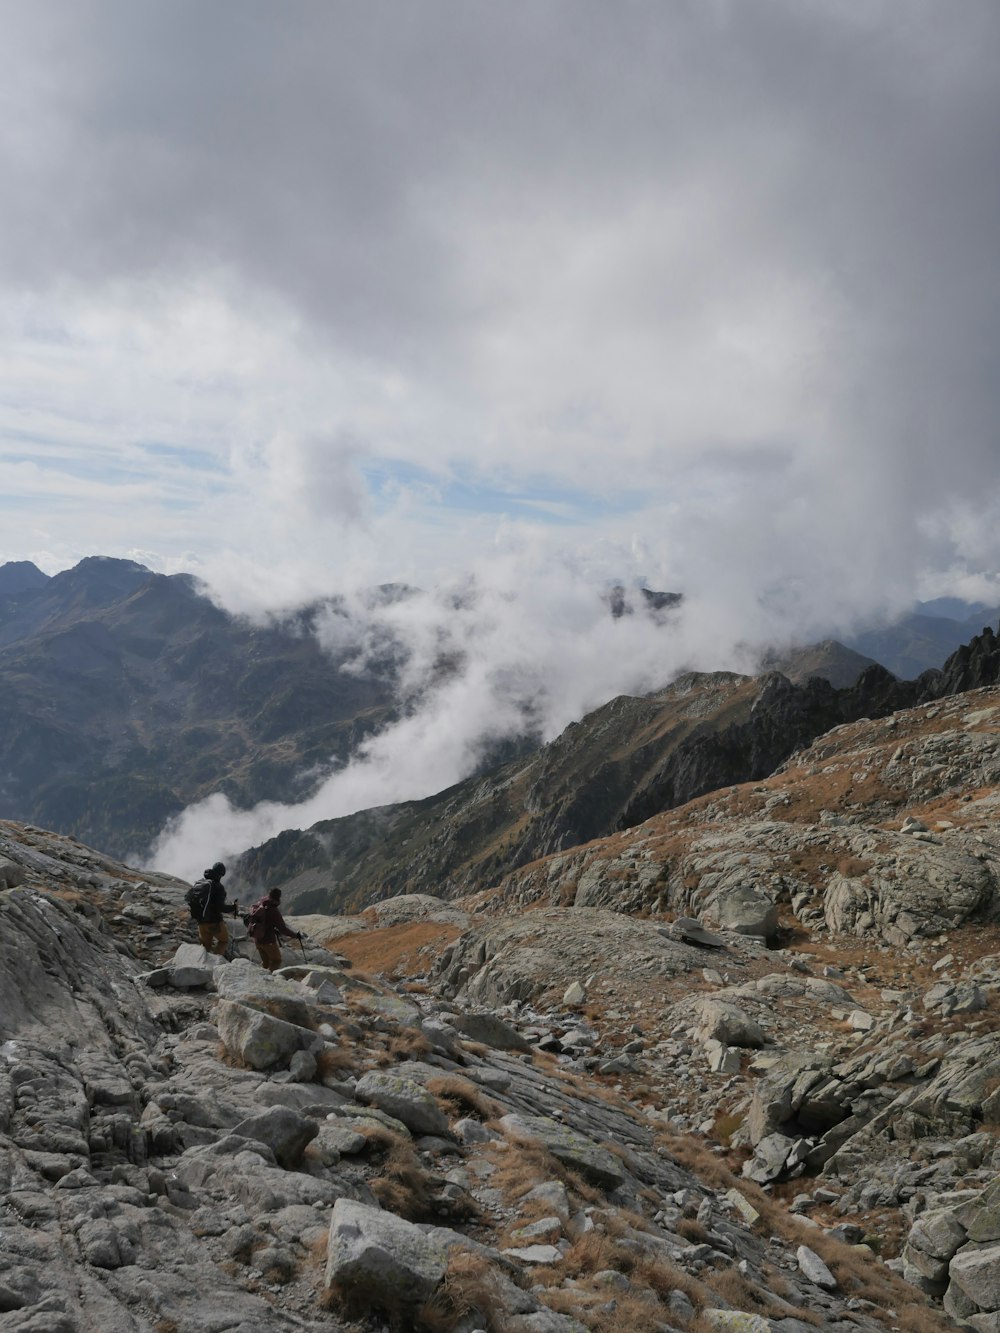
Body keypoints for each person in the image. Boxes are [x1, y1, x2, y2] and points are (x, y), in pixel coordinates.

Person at [247, 887, 301, 972]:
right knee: (276, 960)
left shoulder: (261, 903)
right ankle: (268, 980)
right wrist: (295, 935)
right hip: (268, 941)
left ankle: (260, 976)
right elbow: (283, 929)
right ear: (278, 897)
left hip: (257, 938)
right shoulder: (273, 910)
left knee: (266, 962)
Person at [197, 862, 238, 957]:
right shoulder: (218, 887)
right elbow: (221, 907)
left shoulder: (202, 882)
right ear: (222, 874)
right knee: (223, 941)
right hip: (214, 922)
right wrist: (233, 907)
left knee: (205, 947)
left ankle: (201, 966)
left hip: (200, 922)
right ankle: (215, 962)